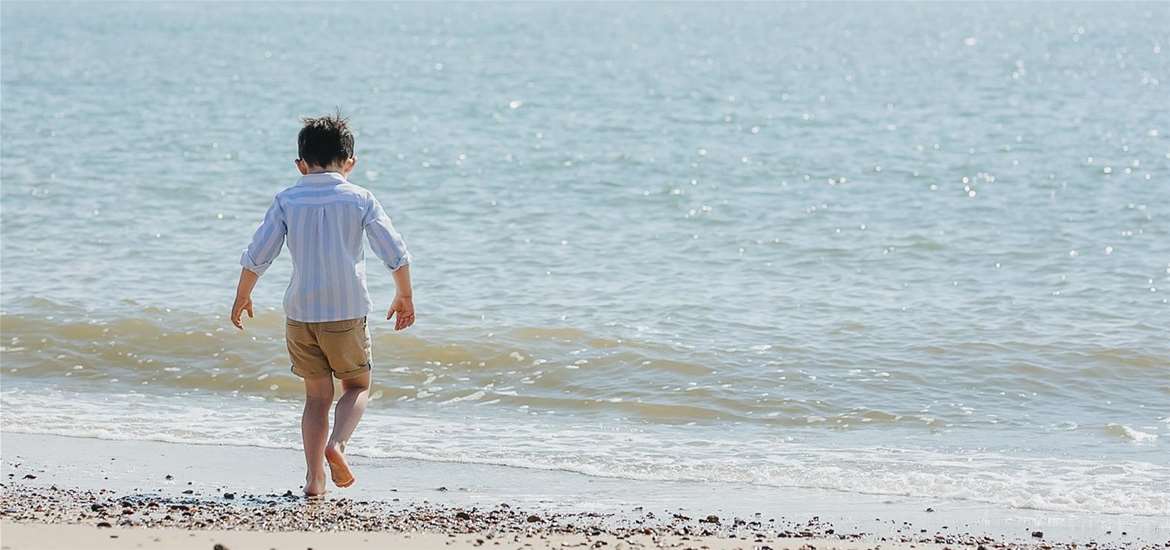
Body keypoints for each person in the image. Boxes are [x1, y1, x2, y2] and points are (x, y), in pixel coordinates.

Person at [230, 113, 414, 496]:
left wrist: (243, 294)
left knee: (316, 397)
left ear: (300, 164)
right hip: (346, 313)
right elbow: (394, 251)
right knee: (357, 385)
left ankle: (315, 479)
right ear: (350, 162)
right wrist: (404, 295)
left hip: (300, 315)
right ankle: (338, 445)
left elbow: (259, 253)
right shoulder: (360, 197)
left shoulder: (287, 199)